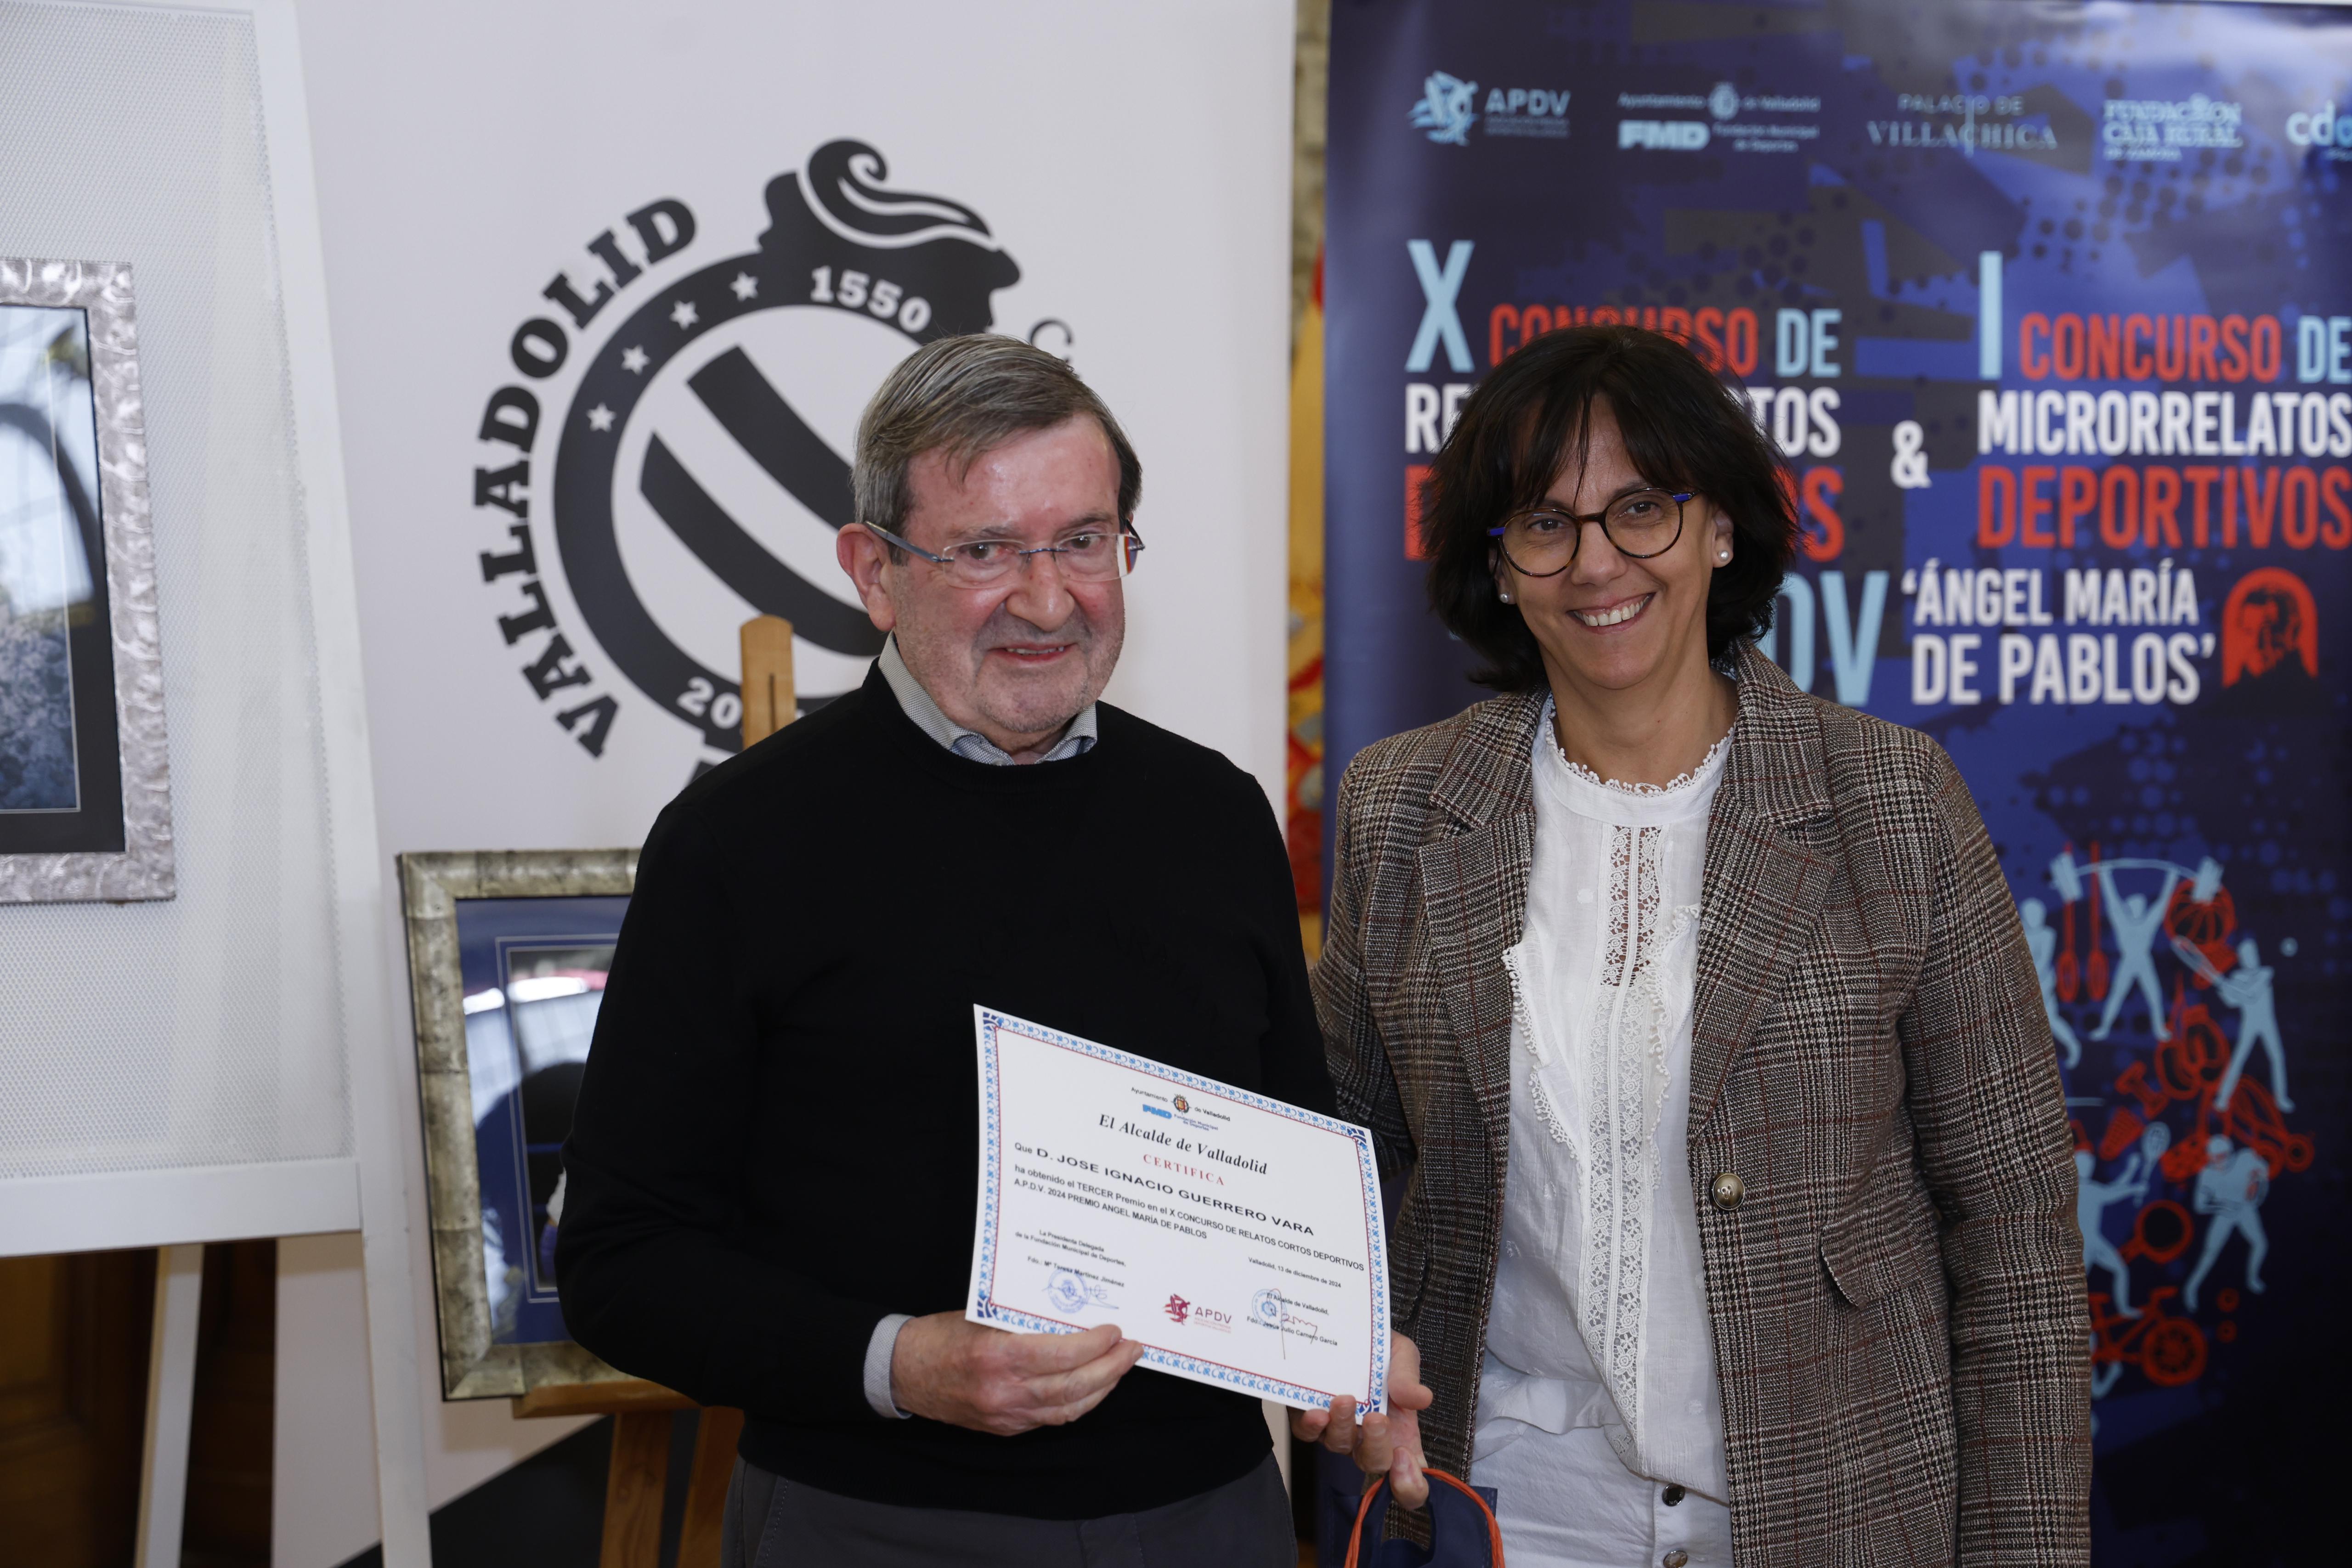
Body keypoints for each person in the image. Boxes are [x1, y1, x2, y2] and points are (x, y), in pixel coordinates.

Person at [1306, 325, 2091, 1565]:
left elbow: (2017, 1240)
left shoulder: (1890, 798)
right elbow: (1334, 1163)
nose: (1596, 561)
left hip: (1831, 1508)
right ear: (1498, 566)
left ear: (1718, 526)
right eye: (1545, 522)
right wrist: (1326, 1343)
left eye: (1641, 508)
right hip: (1509, 1508)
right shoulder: (1402, 805)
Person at [557, 334, 1341, 1566]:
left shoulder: (1218, 816)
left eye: (1083, 540)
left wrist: (1345, 1345)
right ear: (875, 572)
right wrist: (900, 1363)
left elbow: (1297, 1174)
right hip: (871, 1523)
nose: (1048, 598)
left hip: (1209, 1513)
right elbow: (621, 1259)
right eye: (984, 550)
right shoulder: (737, 842)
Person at [2021, 897, 2082, 1067]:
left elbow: (2042, 963)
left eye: (2037, 915)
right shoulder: (2017, 934)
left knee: (2050, 1019)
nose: (2035, 919)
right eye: (2031, 915)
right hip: (2023, 986)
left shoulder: (2048, 935)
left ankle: (2073, 1047)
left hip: (2042, 984)